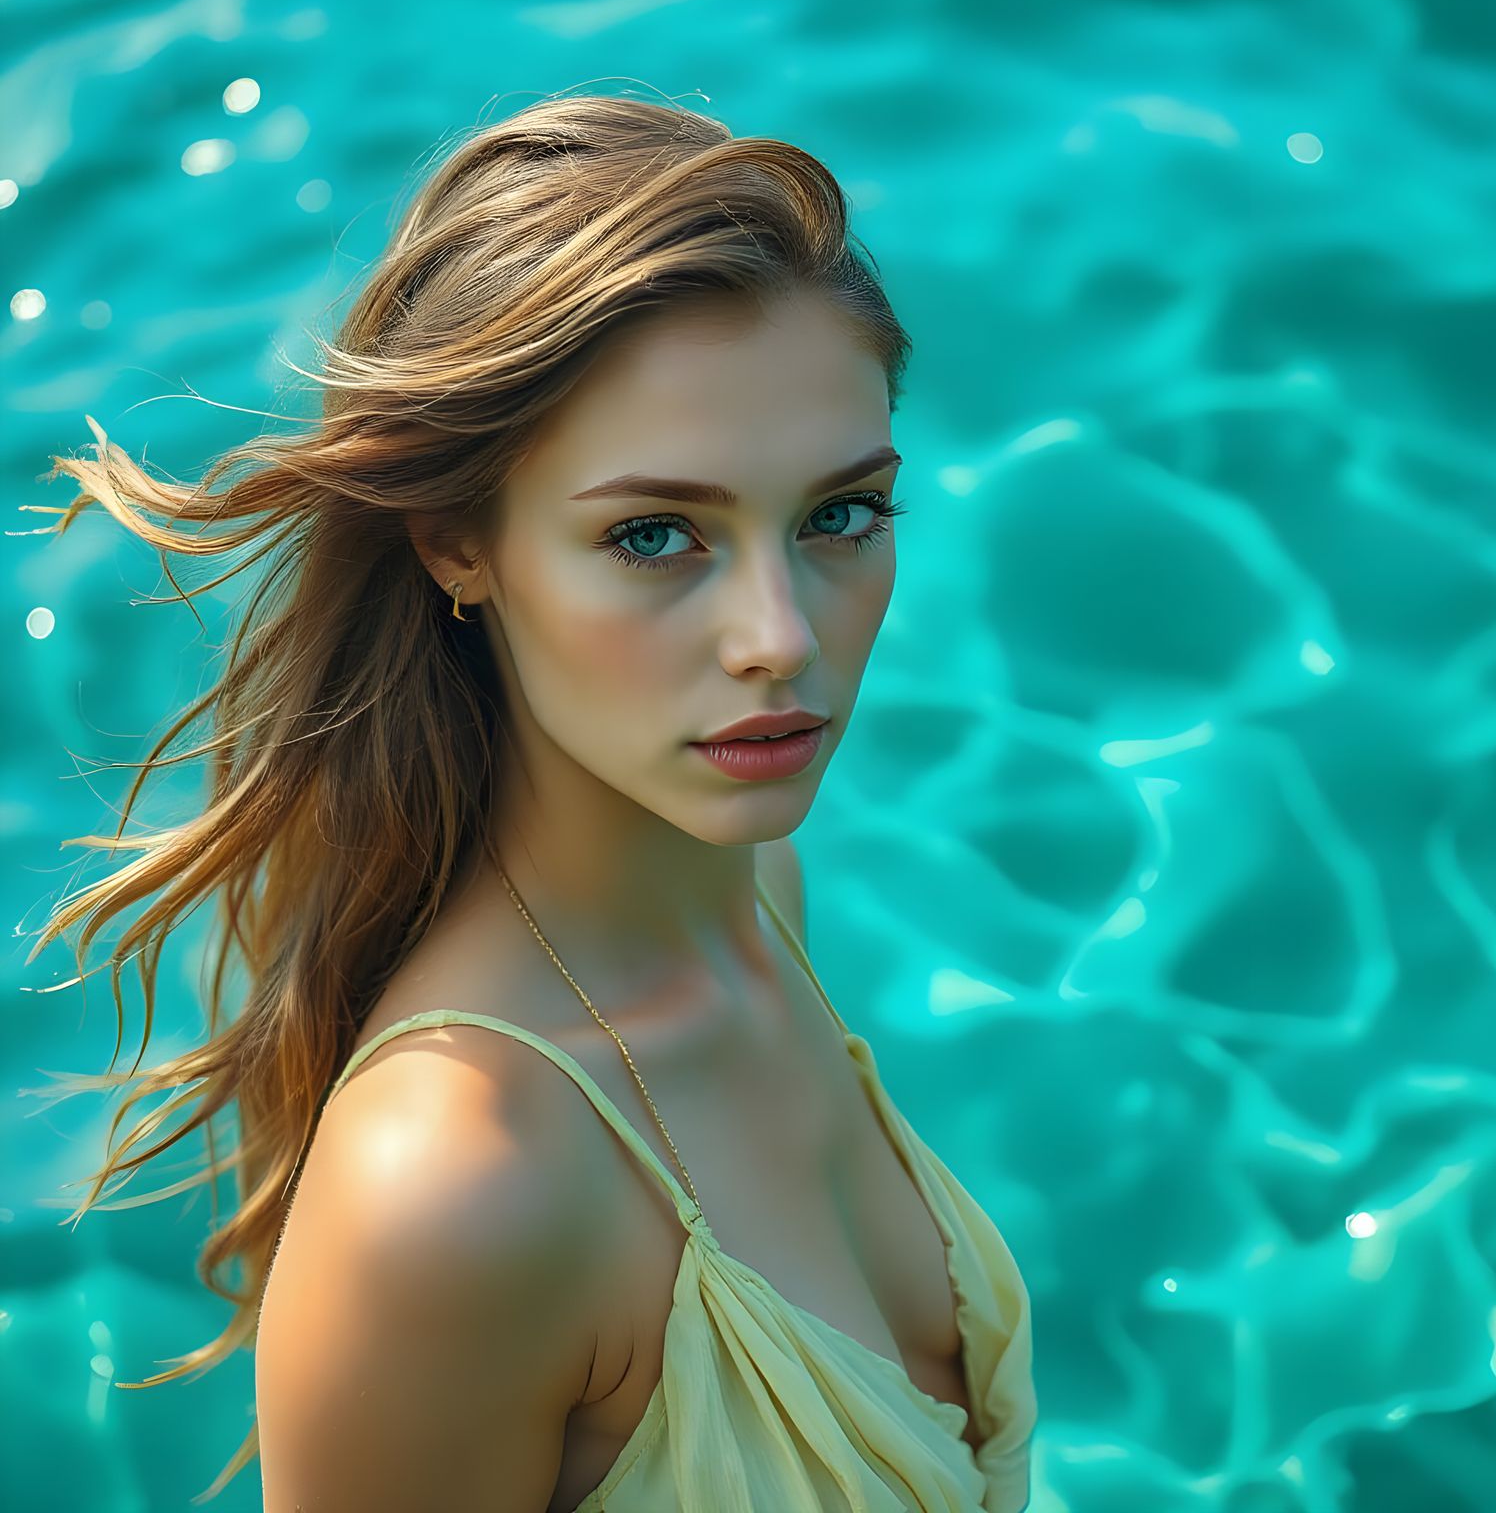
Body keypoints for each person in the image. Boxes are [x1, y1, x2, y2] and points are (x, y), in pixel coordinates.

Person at [24, 92, 1036, 1511]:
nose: (782, 636)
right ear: (458, 545)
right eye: (653, 535)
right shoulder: (449, 1190)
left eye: (840, 517)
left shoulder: (761, 915)